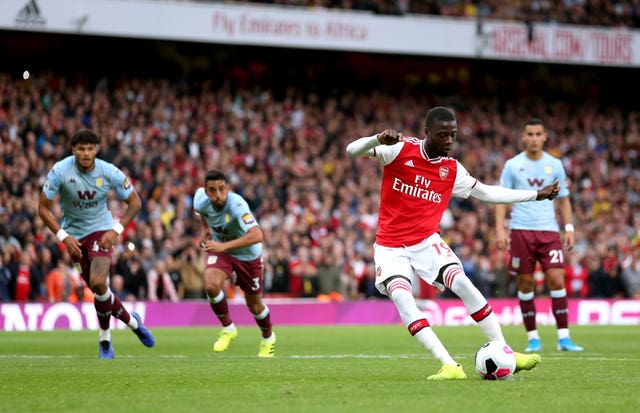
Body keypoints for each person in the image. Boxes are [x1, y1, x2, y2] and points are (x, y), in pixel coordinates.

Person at [345, 106, 557, 380]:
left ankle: (504, 349)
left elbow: (488, 193)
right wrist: (376, 139)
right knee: (402, 298)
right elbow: (352, 150)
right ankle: (449, 365)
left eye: (452, 135)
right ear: (427, 133)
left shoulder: (452, 169)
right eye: (442, 135)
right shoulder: (399, 149)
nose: (448, 141)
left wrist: (535, 195)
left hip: (425, 242)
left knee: (463, 283)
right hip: (390, 247)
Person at [38, 129, 154, 359]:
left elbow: (135, 202)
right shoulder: (60, 170)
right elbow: (42, 207)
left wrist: (116, 230)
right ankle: (133, 323)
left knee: (99, 283)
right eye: (81, 148)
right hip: (73, 237)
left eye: (90, 148)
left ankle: (104, 341)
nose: (85, 153)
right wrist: (63, 236)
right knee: (99, 290)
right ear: (74, 150)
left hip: (101, 231)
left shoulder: (108, 171)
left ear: (96, 150)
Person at [495, 118, 584, 353]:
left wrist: (569, 228)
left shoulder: (554, 164)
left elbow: (564, 200)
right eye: (530, 134)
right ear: (523, 137)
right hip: (521, 230)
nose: (534, 138)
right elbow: (501, 198)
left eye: (538, 134)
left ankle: (564, 337)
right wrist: (500, 229)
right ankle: (533, 338)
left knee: (556, 279)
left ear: (544, 137)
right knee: (525, 283)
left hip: (549, 231)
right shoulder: (513, 165)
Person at [194, 170, 276, 357]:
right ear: (206, 192)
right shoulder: (200, 200)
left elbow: (257, 235)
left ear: (228, 189)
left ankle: (268, 337)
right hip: (222, 251)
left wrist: (223, 246)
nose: (218, 195)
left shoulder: (237, 204)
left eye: (222, 189)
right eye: (212, 191)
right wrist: (206, 229)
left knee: (254, 305)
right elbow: (201, 212)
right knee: (211, 286)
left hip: (248, 256)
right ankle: (228, 328)